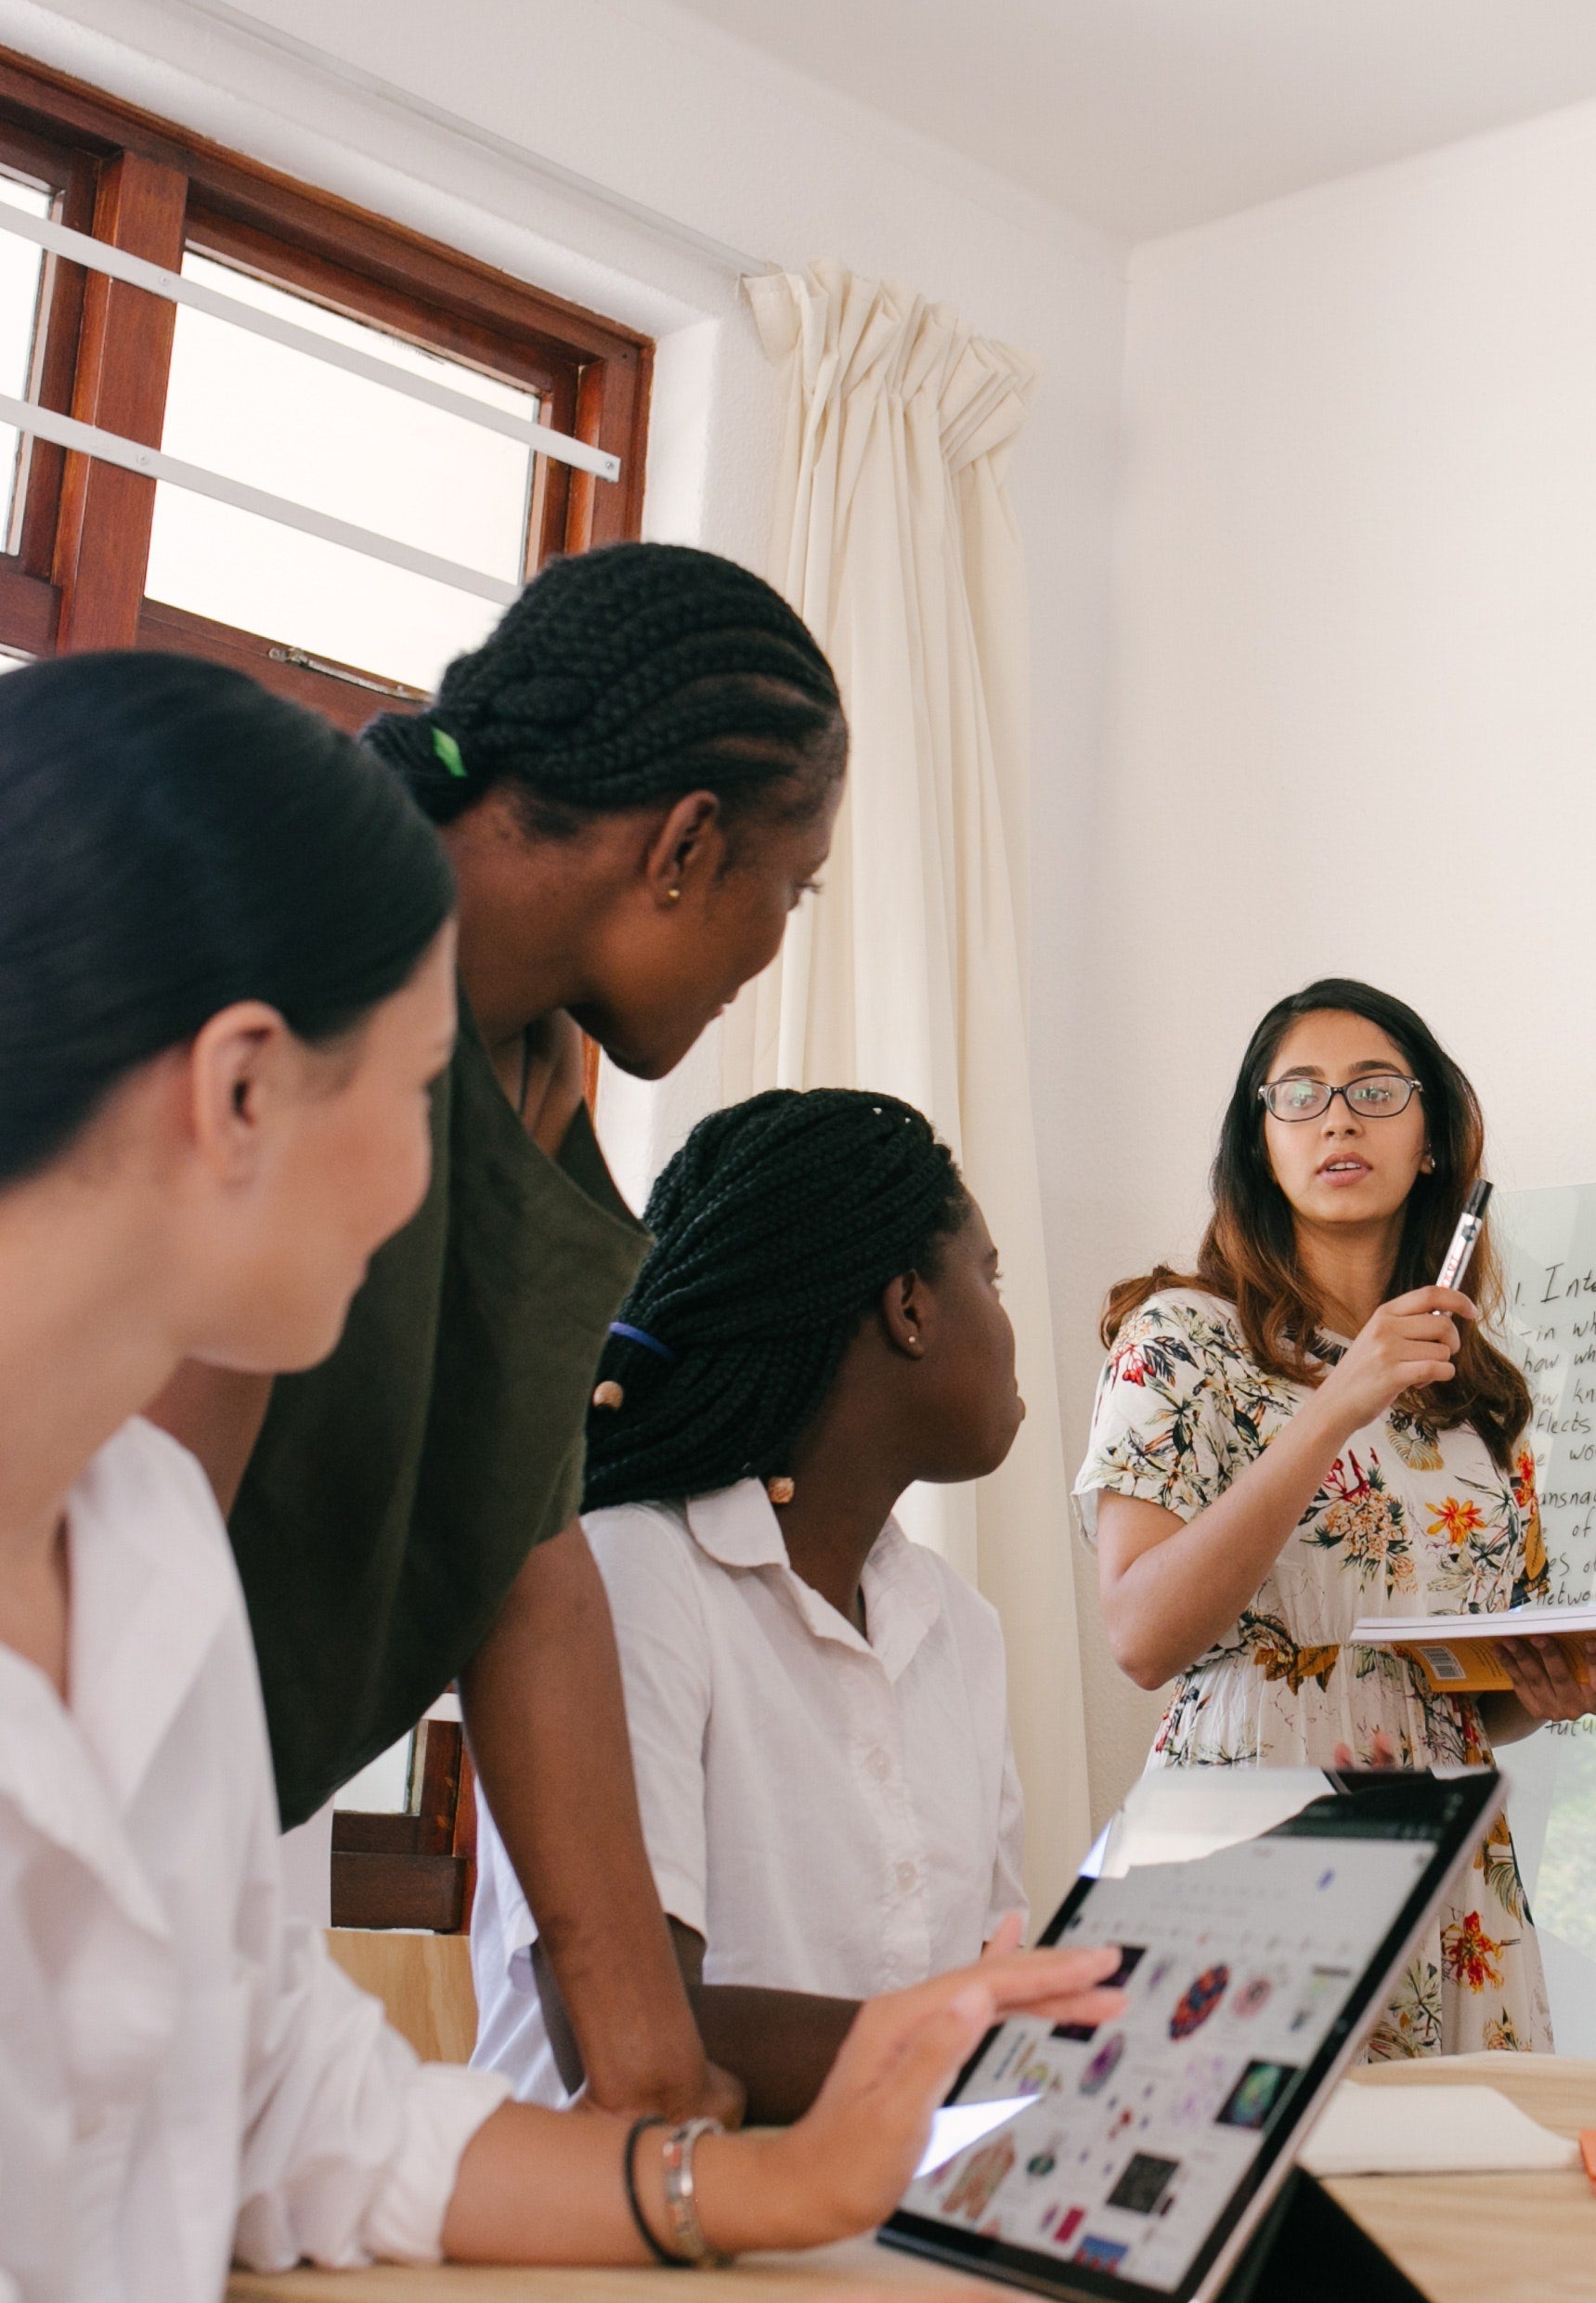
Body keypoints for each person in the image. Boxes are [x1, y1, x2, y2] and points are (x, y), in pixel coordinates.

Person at [0, 653, 1122, 2296]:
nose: (444, 1186)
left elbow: (311, 2113)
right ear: (241, 1091)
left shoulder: (152, 1544)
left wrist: (776, 2179)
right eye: (409, 1096)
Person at [142, 540, 846, 2124]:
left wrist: (652, 2071)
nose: (772, 949)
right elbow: (140, 1546)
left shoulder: (529, 1078)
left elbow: (529, 1571)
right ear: (683, 846)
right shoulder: (310, 956)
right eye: (788, 893)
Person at [472, 1088, 1032, 2124]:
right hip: (601, 2244)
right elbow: (623, 2034)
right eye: (988, 1277)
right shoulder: (633, 1574)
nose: (1008, 1322)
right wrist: (997, 2046)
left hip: (861, 2222)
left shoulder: (958, 1624)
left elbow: (992, 1979)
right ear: (909, 1305)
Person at [1083, 978, 1596, 2056]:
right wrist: (1334, 1402)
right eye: (1300, 1094)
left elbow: (1458, 1687)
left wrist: (1545, 1694)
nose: (1337, 1116)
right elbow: (1141, 1635)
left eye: (1375, 1089)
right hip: (1252, 1827)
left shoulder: (1480, 1394)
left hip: (1449, 1850)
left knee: (1448, 2205)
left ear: (1429, 1140)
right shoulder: (1180, 1337)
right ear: (1260, 1143)